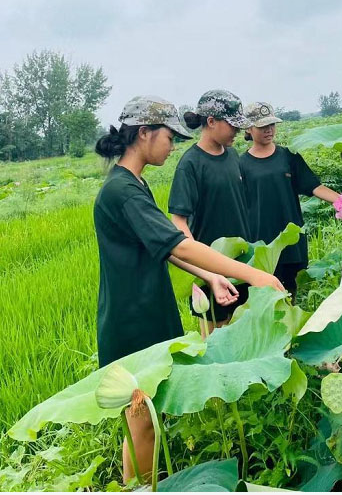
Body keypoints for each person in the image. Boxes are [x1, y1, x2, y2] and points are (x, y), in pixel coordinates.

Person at [93, 95, 284, 484]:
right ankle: (141, 489)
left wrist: (210, 275)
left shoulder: (133, 183)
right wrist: (253, 275)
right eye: (169, 136)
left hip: (146, 312)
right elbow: (179, 241)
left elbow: (161, 245)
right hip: (132, 322)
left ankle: (143, 485)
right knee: (141, 423)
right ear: (144, 133)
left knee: (145, 419)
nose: (173, 145)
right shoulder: (122, 192)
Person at [168, 89, 258, 327]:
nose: (238, 132)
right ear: (211, 122)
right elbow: (179, 222)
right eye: (233, 126)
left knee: (244, 333)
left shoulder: (232, 156)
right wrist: (205, 271)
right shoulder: (190, 164)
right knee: (216, 340)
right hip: (212, 268)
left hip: (242, 262)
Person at [239, 101, 340, 301]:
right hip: (261, 244)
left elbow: (314, 187)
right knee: (267, 298)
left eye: (272, 125)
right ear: (249, 128)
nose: (269, 130)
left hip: (291, 238)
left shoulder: (288, 156)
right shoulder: (240, 164)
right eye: (262, 126)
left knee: (291, 294)